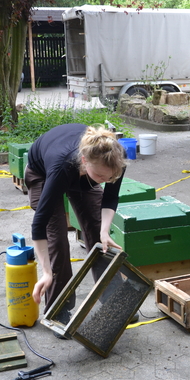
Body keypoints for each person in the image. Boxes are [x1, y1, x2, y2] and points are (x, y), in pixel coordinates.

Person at [24, 123, 127, 316]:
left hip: (79, 172)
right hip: (43, 173)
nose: (105, 180)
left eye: (110, 177)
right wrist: (46, 271)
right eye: (100, 176)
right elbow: (39, 224)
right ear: (84, 161)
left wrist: (104, 232)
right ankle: (58, 310)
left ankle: (114, 301)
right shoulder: (61, 166)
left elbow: (110, 197)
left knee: (98, 233)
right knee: (57, 239)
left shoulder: (116, 158)